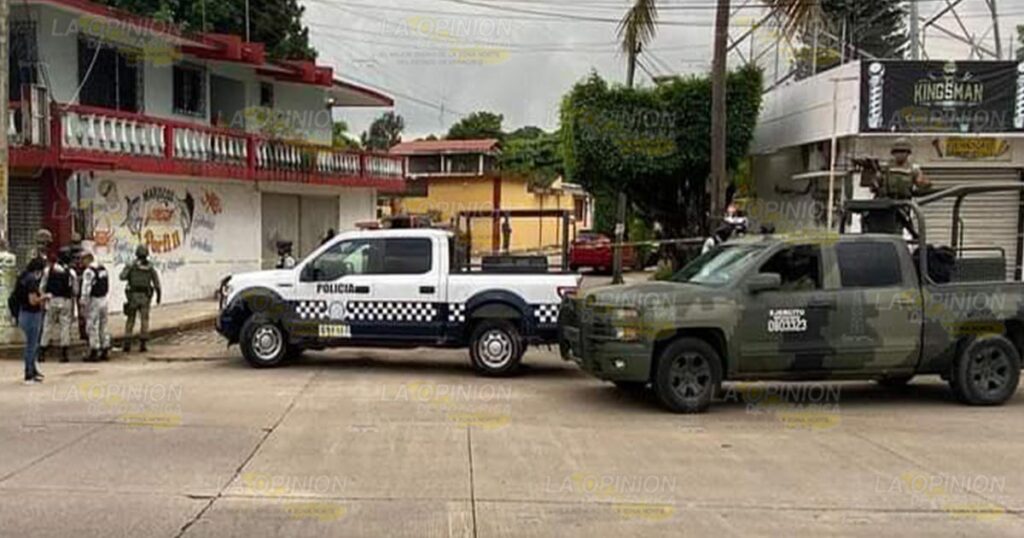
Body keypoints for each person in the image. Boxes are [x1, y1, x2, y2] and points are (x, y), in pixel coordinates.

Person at [860, 138, 932, 236]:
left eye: (903, 151)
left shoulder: (913, 169)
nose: (900, 154)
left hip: (901, 206)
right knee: (871, 224)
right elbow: (874, 185)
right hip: (884, 204)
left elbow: (922, 183)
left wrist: (925, 183)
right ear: (893, 153)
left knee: (896, 231)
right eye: (897, 152)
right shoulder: (886, 167)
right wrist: (872, 174)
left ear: (908, 153)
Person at [39, 247, 78, 363]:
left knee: (47, 325)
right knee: (65, 327)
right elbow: (75, 290)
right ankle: (64, 353)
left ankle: (42, 352)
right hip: (66, 301)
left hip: (51, 300)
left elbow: (42, 287)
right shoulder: (71, 272)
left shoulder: (49, 270)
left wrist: (44, 297)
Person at [120, 245, 161, 352]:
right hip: (145, 297)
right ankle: (143, 344)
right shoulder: (150, 268)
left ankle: (127, 343)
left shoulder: (132, 266)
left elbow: (122, 277)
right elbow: (157, 283)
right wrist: (158, 297)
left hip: (133, 296)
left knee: (130, 319)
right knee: (144, 319)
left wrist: (128, 269)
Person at [15, 258, 48, 384]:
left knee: (31, 344)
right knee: (32, 346)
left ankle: (33, 370)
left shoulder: (22, 277)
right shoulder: (32, 280)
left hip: (23, 313)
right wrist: (45, 297)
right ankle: (29, 373)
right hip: (32, 314)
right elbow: (33, 301)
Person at [79, 250, 111, 362]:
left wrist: (83, 302)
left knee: (92, 325)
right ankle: (105, 348)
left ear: (88, 259)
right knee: (104, 324)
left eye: (82, 259)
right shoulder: (102, 269)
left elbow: (86, 287)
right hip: (104, 299)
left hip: (94, 300)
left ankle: (94, 350)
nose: (81, 262)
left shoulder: (89, 271)